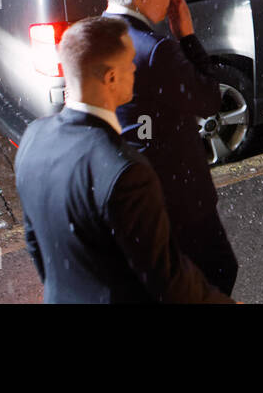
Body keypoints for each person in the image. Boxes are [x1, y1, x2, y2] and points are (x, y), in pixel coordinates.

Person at [14, 16, 230, 303]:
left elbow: (35, 244)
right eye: (129, 62)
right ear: (111, 78)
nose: (133, 68)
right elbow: (166, 278)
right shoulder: (125, 170)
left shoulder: (33, 137)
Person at [103, 0, 240, 293]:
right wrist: (188, 37)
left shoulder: (96, 38)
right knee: (218, 271)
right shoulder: (156, 50)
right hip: (177, 198)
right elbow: (209, 100)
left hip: (128, 200)